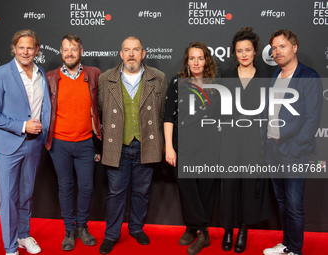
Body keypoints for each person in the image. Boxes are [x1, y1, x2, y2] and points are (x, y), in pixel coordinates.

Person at [97, 36, 167, 254]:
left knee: (142, 191)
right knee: (116, 192)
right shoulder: (106, 78)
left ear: (143, 53)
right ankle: (112, 235)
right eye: (127, 50)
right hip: (116, 145)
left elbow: (162, 112)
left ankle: (136, 228)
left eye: (136, 50)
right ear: (121, 54)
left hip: (146, 144)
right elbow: (101, 110)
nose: (131, 54)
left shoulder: (158, 78)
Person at [0, 29, 51, 255]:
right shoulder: (0, 74)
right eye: (21, 47)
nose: (25, 52)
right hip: (8, 145)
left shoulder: (41, 74)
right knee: (8, 198)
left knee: (26, 194)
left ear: (37, 50)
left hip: (34, 144)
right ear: (14, 48)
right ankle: (10, 247)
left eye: (30, 47)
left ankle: (24, 235)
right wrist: (23, 126)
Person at [263, 29, 323, 255]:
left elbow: (312, 118)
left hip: (294, 151)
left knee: (294, 205)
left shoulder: (309, 76)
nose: (277, 52)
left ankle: (295, 250)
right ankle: (287, 244)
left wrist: (297, 147)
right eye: (274, 48)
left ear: (295, 47)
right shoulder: (275, 77)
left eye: (282, 46)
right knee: (282, 202)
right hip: (273, 149)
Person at [45, 33, 101, 251]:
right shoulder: (50, 77)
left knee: (86, 187)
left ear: (81, 51)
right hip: (59, 144)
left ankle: (82, 227)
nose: (70, 53)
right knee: (66, 187)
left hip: (86, 142)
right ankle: (69, 229)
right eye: (66, 49)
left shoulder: (94, 74)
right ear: (61, 52)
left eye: (74, 49)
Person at [218, 27, 272, 253]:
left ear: (255, 51)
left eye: (247, 50)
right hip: (230, 137)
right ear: (234, 53)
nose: (244, 54)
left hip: (254, 138)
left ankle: (243, 229)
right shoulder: (226, 76)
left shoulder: (265, 77)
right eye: (239, 51)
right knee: (229, 185)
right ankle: (228, 230)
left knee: (250, 185)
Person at [164, 42, 220, 255]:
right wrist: (169, 146)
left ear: (206, 60)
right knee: (187, 188)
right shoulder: (177, 82)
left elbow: (222, 120)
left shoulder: (216, 85)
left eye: (200, 58)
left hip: (209, 144)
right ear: (187, 61)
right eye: (192, 58)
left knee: (205, 191)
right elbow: (168, 116)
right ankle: (202, 230)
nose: (196, 62)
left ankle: (193, 228)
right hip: (182, 144)